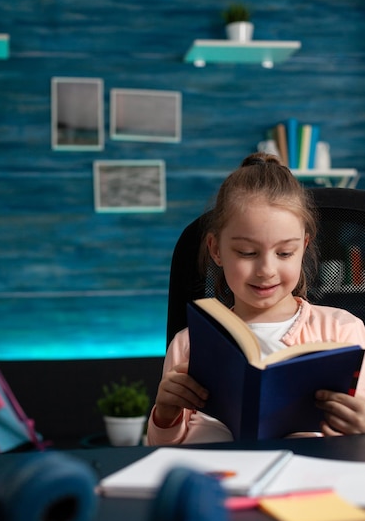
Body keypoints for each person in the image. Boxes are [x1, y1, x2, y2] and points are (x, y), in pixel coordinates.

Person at [147, 152, 365, 445]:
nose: (266, 270)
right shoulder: (189, 343)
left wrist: (359, 426)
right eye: (247, 253)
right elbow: (162, 451)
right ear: (216, 250)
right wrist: (165, 414)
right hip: (213, 477)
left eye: (285, 253)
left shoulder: (343, 331)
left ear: (304, 246)